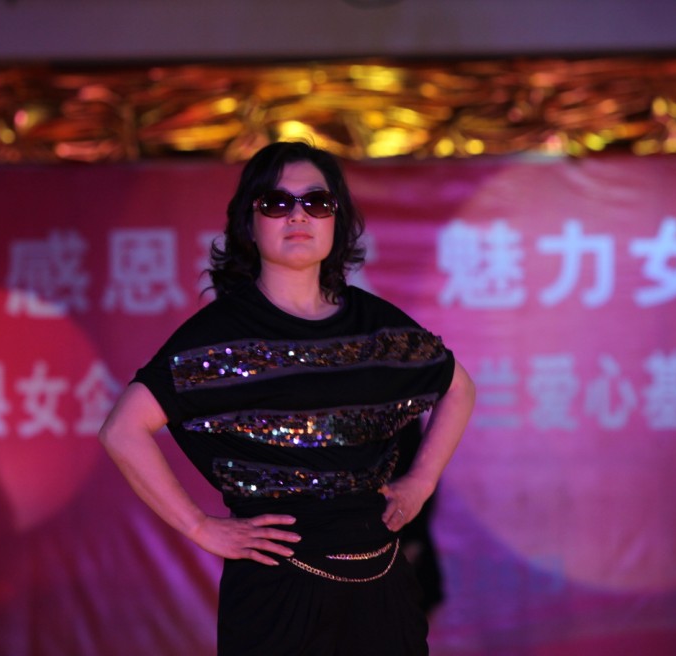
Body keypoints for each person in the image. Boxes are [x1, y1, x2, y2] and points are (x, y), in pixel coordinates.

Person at [99, 141, 475, 655]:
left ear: (337, 220)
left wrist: (421, 482)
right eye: (276, 203)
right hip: (278, 592)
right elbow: (122, 429)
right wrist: (198, 526)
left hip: (382, 586)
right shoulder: (219, 333)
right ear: (249, 223)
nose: (298, 216)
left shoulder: (375, 325)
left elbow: (458, 388)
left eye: (316, 202)